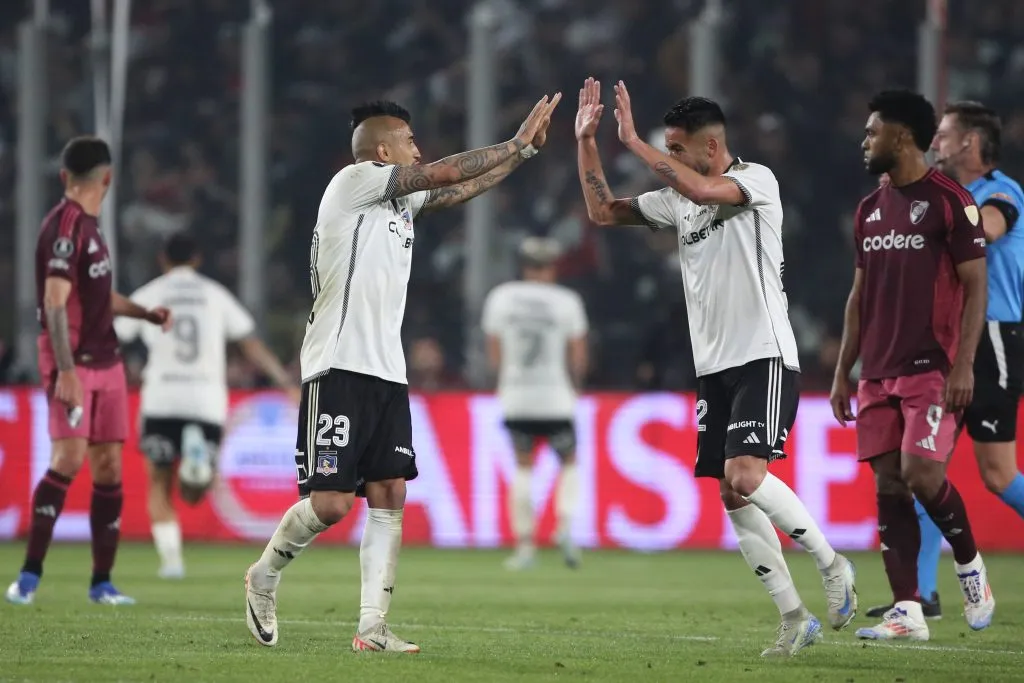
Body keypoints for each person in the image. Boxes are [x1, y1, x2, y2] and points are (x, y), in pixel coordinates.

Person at [244, 94, 562, 651]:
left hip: (387, 370)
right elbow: (438, 173)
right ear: (384, 149)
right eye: (410, 142)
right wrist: (512, 141)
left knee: (390, 492)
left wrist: (523, 157)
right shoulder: (353, 181)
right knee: (332, 503)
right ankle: (264, 576)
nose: (419, 150)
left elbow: (454, 189)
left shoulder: (398, 205)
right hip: (337, 363)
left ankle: (372, 628)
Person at [574, 77, 857, 657]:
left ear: (709, 147)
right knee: (730, 493)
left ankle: (832, 564)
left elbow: (704, 192)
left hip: (764, 353)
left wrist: (632, 141)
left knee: (748, 476)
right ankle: (793, 616)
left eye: (676, 149)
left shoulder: (754, 182)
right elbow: (604, 211)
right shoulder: (677, 200)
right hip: (714, 365)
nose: (669, 160)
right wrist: (587, 142)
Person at [831, 90, 996, 641]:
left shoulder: (952, 202)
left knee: (923, 472)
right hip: (878, 367)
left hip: (933, 363)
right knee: (889, 485)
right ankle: (908, 611)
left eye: (872, 131)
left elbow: (977, 287)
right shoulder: (868, 209)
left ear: (901, 136)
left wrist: (964, 365)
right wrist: (843, 372)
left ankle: (970, 567)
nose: (864, 141)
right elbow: (858, 297)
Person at [865, 101, 1024, 620]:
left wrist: (954, 223)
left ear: (970, 144)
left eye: (948, 135)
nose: (937, 141)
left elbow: (992, 230)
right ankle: (921, 595)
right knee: (924, 470)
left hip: (992, 337)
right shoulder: (922, 196)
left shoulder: (995, 193)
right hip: (939, 344)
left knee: (998, 474)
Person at [5, 136, 170, 606]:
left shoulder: (91, 230)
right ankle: (29, 577)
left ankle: (102, 583)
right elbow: (56, 304)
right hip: (73, 361)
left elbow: (98, 298)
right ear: (109, 178)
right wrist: (66, 369)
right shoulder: (66, 227)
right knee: (69, 459)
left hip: (109, 360)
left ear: (65, 177)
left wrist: (144, 314)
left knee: (109, 466)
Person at [115, 233, 300, 580]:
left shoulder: (152, 292)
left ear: (163, 260)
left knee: (159, 483)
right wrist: (285, 382)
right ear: (197, 260)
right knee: (195, 493)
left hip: (162, 397)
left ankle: (171, 561)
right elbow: (250, 343)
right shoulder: (214, 295)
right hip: (206, 400)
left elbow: (118, 337)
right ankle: (196, 462)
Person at [481, 236, 589, 571]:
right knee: (569, 462)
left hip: (517, 396)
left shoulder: (501, 297)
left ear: (524, 266)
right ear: (552, 267)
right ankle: (564, 527)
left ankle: (525, 545)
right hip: (555, 397)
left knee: (524, 466)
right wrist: (576, 387)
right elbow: (578, 353)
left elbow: (494, 352)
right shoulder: (567, 301)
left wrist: (503, 383)